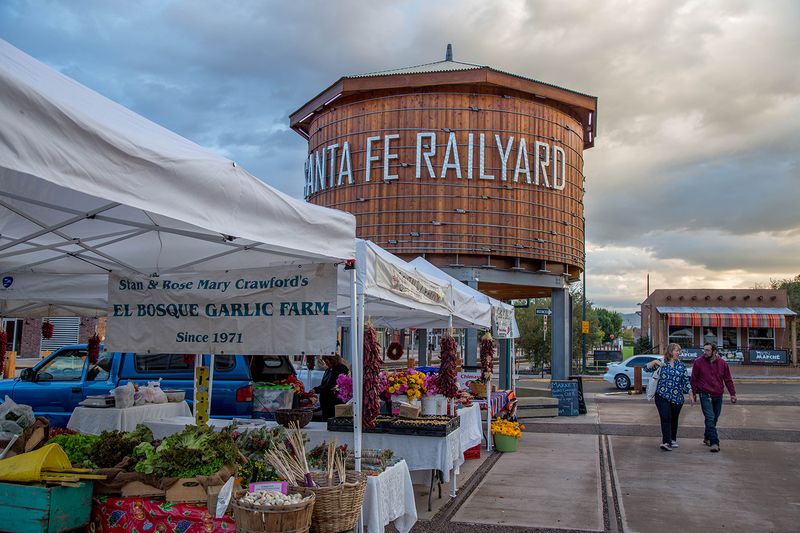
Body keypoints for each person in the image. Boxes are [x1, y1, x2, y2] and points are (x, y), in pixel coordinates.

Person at [690, 342, 737, 452]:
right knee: (710, 417)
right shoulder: (698, 362)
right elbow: (693, 379)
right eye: (704, 350)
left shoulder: (722, 363)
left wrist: (732, 394)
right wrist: (693, 393)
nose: (705, 352)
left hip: (718, 395)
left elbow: (728, 379)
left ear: (714, 351)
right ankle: (715, 442)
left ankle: (707, 436)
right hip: (704, 394)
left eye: (707, 350)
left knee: (714, 418)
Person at [646, 342, 690, 451]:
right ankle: (666, 442)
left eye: (679, 351)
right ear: (670, 351)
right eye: (676, 350)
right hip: (662, 396)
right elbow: (646, 368)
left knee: (674, 419)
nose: (678, 353)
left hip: (677, 397)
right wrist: (654, 361)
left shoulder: (681, 366)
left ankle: (672, 439)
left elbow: (685, 381)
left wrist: (690, 392)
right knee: (666, 418)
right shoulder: (661, 363)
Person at [313, 353, 349, 421]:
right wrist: (316, 389)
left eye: (326, 361)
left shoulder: (340, 369)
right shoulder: (328, 370)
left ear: (332, 360)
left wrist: (316, 390)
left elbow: (331, 385)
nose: (326, 364)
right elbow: (324, 384)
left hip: (334, 403)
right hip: (326, 405)